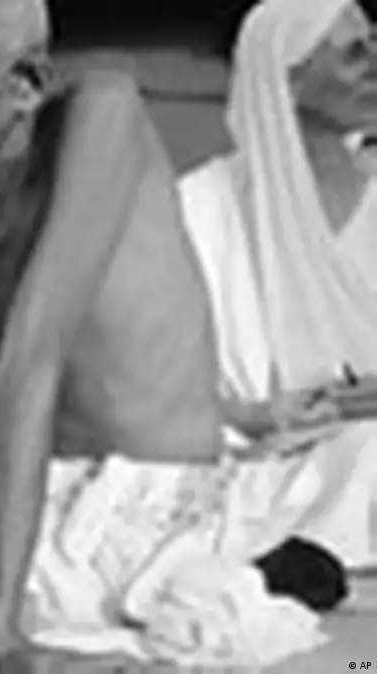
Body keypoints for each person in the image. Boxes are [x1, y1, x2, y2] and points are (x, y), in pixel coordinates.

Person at [0, 0, 363, 668]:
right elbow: (111, 363)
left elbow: (31, 363)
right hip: (64, 504)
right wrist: (240, 412)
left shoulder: (102, 108)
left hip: (140, 520)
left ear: (25, 84)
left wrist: (2, 628)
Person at [179, 0, 377, 571]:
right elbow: (146, 377)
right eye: (354, 54)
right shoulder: (201, 208)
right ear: (287, 82)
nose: (376, 64)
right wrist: (253, 416)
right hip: (256, 453)